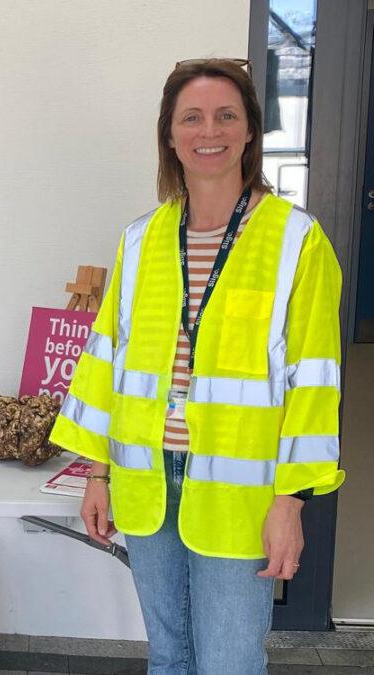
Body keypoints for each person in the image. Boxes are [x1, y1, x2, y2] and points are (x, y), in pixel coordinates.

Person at [50, 58, 344, 674]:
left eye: (225, 115)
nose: (208, 130)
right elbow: (107, 360)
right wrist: (97, 475)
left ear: (248, 132)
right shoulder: (142, 238)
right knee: (168, 659)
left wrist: (291, 502)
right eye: (192, 117)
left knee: (229, 664)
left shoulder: (298, 241)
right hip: (147, 482)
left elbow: (314, 382)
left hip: (239, 496)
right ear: (170, 134)